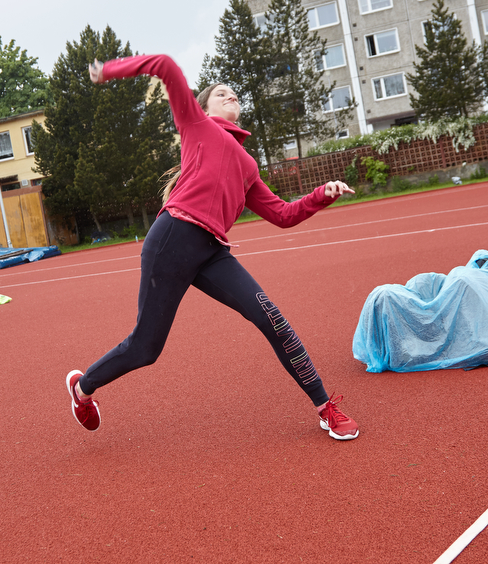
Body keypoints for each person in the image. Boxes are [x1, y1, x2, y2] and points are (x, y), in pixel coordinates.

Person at [67, 54, 360, 441]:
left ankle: (325, 407)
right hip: (172, 239)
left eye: (234, 93)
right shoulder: (196, 124)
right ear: (203, 107)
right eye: (221, 93)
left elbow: (283, 214)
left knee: (272, 319)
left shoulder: (248, 165)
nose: (231, 95)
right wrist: (108, 71)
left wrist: (322, 194)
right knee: (146, 348)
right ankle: (83, 388)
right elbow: (165, 66)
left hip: (211, 251)